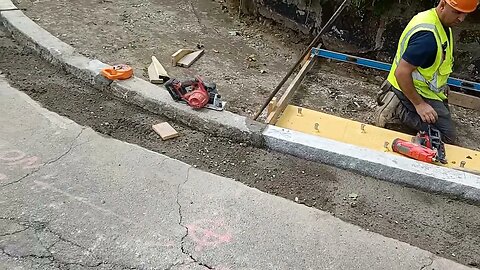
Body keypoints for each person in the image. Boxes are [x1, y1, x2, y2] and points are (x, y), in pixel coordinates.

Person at [375, 0, 478, 144]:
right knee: (447, 137)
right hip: (406, 87)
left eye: (465, 14)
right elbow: (402, 73)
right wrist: (419, 105)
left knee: (439, 121)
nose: (461, 18)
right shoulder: (427, 38)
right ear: (442, 5)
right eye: (457, 12)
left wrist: (441, 85)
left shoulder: (438, 22)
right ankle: (397, 107)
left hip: (423, 88)